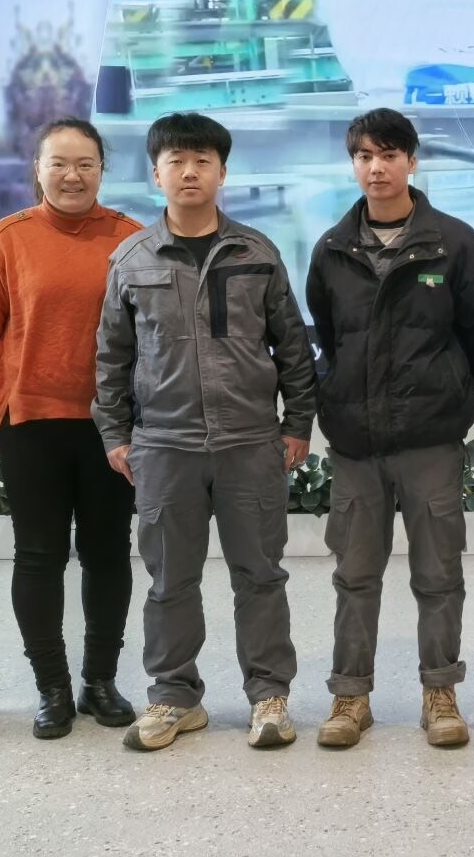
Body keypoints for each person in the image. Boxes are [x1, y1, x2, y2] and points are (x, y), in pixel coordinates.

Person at [93, 112, 316, 753]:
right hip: (165, 445)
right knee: (170, 582)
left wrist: (297, 423)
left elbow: (292, 347)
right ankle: (173, 697)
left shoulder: (257, 253)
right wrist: (115, 433)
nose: (189, 172)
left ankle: (269, 696)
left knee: (260, 576)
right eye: (176, 162)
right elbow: (111, 355)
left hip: (250, 441)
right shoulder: (131, 259)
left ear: (222, 172)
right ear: (156, 173)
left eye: (202, 161)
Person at [302, 108, 474, 750]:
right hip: (356, 443)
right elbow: (330, 338)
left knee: (438, 576)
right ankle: (349, 696)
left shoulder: (455, 244)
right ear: (353, 165)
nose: (376, 167)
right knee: (354, 576)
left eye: (389, 154)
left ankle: (440, 693)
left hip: (430, 440)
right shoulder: (332, 249)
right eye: (364, 156)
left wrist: (443, 387)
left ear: (412, 161)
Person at [0, 118, 144, 740]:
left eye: (85, 164)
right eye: (59, 163)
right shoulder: (8, 237)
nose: (72, 176)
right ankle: (52, 687)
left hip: (110, 427)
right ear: (37, 169)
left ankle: (100, 681)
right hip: (31, 424)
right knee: (38, 556)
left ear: (102, 170)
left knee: (107, 553)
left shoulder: (130, 239)